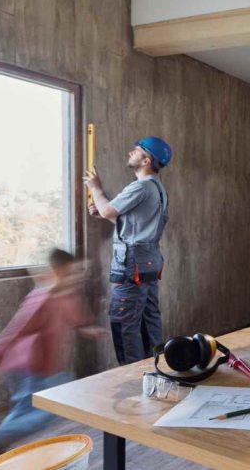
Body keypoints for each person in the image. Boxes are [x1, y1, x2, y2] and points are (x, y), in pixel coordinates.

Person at [0, 249, 103, 465]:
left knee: (52, 399)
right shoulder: (40, 299)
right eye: (69, 274)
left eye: (77, 274)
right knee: (35, 411)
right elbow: (14, 332)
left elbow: (76, 320)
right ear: (55, 271)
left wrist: (88, 330)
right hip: (28, 366)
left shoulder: (68, 296)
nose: (75, 278)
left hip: (50, 367)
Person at [84, 136, 171, 365]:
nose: (130, 153)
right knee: (148, 318)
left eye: (137, 150)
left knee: (124, 321)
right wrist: (105, 212)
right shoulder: (158, 189)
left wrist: (96, 189)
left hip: (132, 262)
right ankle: (157, 370)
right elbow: (134, 225)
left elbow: (107, 211)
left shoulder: (140, 187)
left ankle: (133, 376)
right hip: (149, 259)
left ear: (146, 160)